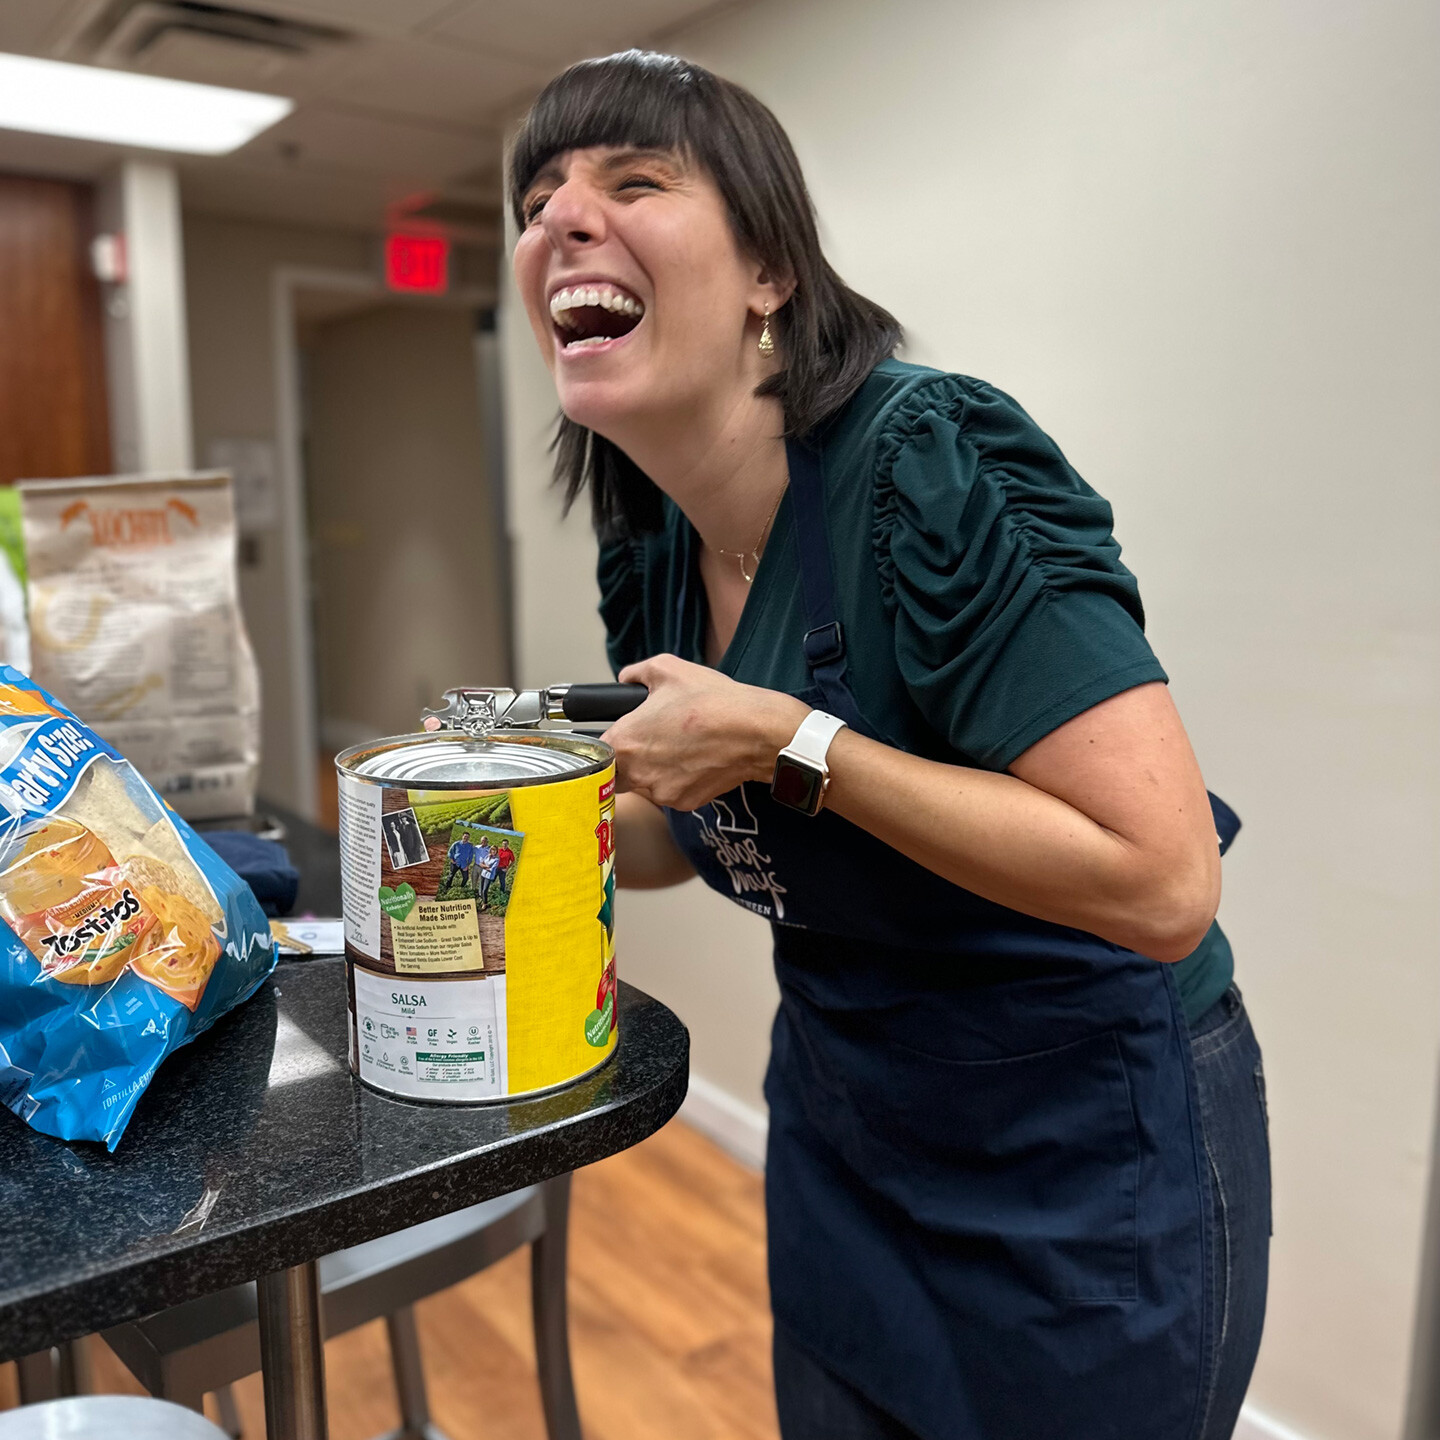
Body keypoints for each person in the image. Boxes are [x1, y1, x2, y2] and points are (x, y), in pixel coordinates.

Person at [508, 51, 1269, 1440]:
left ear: (769, 277)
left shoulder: (928, 461)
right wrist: (501, 828)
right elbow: (694, 837)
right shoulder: (653, 538)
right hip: (850, 1132)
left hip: (1080, 1157)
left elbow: (1160, 886)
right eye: (539, 193)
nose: (560, 218)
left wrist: (790, 738)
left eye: (632, 182)